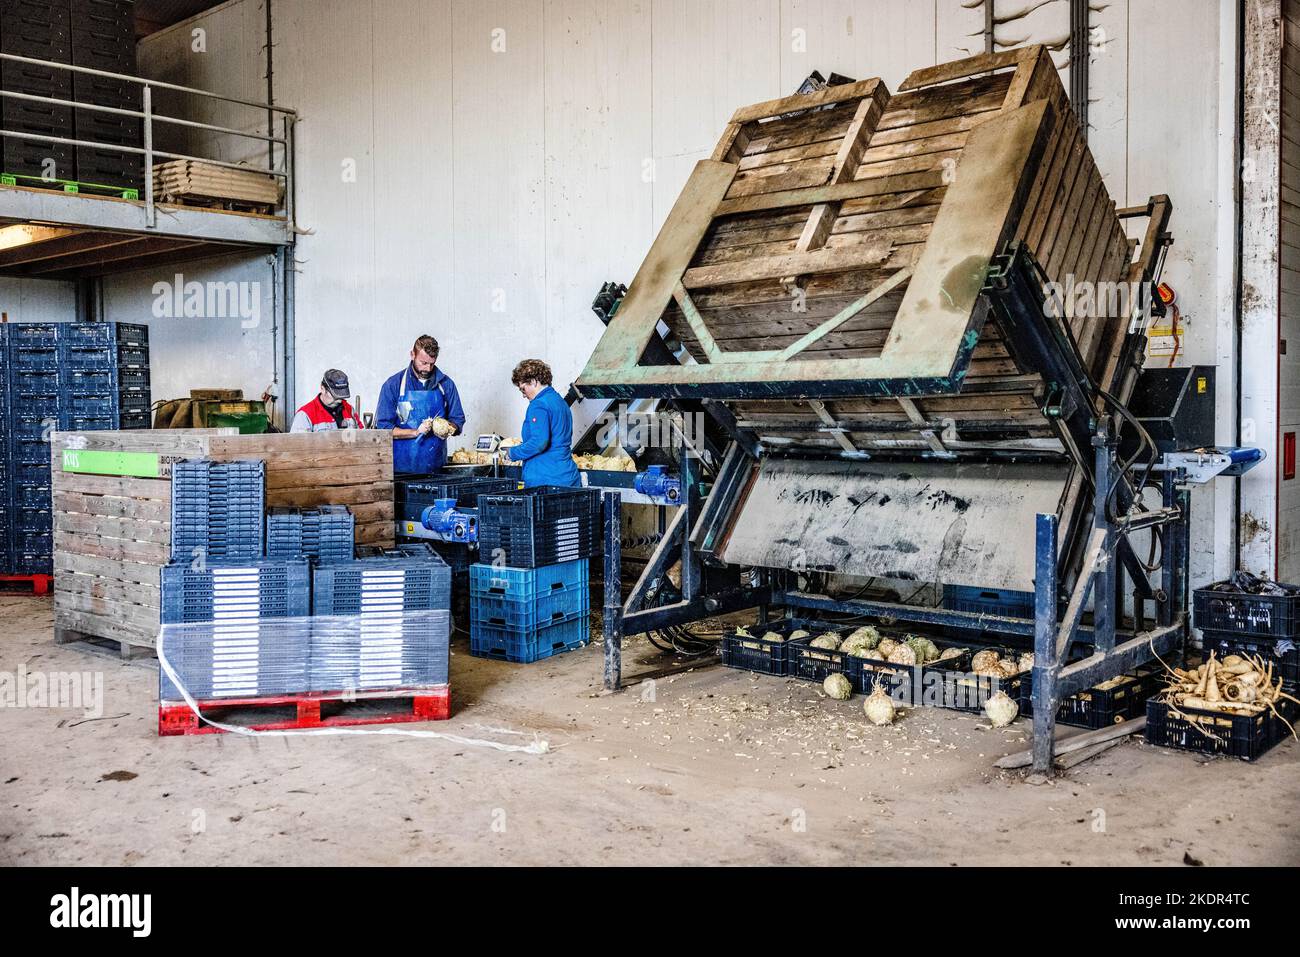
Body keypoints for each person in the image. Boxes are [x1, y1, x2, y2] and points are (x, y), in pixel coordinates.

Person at [375, 334, 465, 474]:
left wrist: (447, 428)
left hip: (437, 469)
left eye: (432, 363)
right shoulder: (393, 385)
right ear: (412, 355)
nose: (428, 369)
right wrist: (416, 432)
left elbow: (457, 420)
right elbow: (383, 430)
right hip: (400, 469)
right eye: (423, 363)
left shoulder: (446, 385)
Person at [502, 359, 580, 488]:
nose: (523, 395)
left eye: (523, 389)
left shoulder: (538, 405)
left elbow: (539, 443)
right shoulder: (559, 401)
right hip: (567, 475)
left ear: (533, 381)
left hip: (545, 478)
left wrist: (512, 453)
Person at [290, 369, 363, 432]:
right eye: (335, 396)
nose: (339, 401)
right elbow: (297, 445)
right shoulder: (305, 415)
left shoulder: (349, 409)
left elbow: (363, 438)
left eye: (342, 396)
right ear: (323, 389)